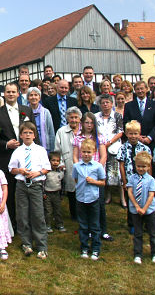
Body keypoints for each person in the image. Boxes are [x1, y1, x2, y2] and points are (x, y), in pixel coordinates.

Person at [0, 82, 35, 226]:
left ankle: (27, 222)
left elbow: (35, 133)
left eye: (13, 92)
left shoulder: (26, 111)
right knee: (8, 191)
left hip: (26, 157)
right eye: (8, 92)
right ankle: (11, 223)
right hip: (6, 156)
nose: (10, 94)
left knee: (27, 190)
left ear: (17, 93)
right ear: (4, 94)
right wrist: (5, 144)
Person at [8, 122, 51, 260]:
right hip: (21, 185)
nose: (27, 135)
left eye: (30, 133)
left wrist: (37, 173)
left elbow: (47, 168)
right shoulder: (18, 151)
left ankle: (41, 246)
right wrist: (19, 170)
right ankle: (26, 243)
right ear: (20, 135)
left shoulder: (40, 150)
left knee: (38, 215)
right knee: (22, 215)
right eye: (25, 133)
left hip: (35, 185)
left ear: (34, 135)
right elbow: (11, 169)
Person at [72, 112, 111, 242]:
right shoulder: (78, 137)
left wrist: (96, 169)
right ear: (82, 123)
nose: (89, 125)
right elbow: (75, 156)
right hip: (83, 174)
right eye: (86, 122)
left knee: (99, 204)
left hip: (96, 174)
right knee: (85, 204)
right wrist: (79, 169)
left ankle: (102, 230)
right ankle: (87, 230)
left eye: (91, 122)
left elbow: (103, 155)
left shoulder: (99, 137)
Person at [73, 139, 106, 261]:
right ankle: (84, 247)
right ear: (81, 152)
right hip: (81, 199)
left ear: (94, 152)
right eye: (84, 152)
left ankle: (96, 248)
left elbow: (103, 182)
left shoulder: (98, 167)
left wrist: (93, 182)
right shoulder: (76, 166)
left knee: (95, 225)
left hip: (93, 199)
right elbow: (76, 179)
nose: (86, 154)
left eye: (89, 152)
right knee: (83, 225)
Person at [117, 120, 151, 232]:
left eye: (135, 133)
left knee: (144, 200)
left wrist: (150, 180)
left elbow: (149, 165)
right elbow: (121, 165)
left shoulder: (144, 148)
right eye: (130, 133)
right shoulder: (122, 148)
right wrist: (124, 181)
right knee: (131, 201)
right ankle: (132, 224)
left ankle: (145, 222)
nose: (133, 136)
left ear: (139, 133)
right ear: (126, 134)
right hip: (130, 181)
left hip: (143, 180)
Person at [127, 151, 155, 264]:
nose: (141, 169)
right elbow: (130, 192)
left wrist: (144, 208)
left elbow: (151, 195)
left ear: (148, 166)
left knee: (152, 232)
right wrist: (136, 206)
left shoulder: (151, 180)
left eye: (143, 166)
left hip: (148, 210)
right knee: (138, 232)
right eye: (138, 166)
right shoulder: (132, 178)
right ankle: (138, 253)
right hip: (136, 210)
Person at [54, 106, 82, 221]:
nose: (74, 120)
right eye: (71, 118)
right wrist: (60, 163)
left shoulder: (83, 131)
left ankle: (83, 213)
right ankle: (74, 214)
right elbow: (57, 149)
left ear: (80, 118)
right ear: (67, 119)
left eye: (76, 117)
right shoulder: (61, 131)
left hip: (81, 162)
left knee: (82, 188)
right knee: (71, 190)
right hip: (68, 163)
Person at [95, 94, 124, 206]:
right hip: (100, 148)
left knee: (117, 173)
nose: (105, 105)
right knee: (104, 172)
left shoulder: (117, 116)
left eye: (107, 102)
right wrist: (102, 144)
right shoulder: (96, 116)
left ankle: (122, 198)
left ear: (112, 104)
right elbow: (94, 131)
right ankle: (108, 196)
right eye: (103, 103)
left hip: (114, 147)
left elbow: (120, 132)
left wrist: (109, 143)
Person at [123, 81, 155, 153]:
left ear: (147, 89)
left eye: (142, 88)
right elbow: (126, 123)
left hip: (151, 142)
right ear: (135, 91)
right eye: (137, 89)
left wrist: (149, 137)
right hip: (134, 141)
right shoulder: (128, 105)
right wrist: (137, 136)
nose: (140, 91)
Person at [44, 151, 66, 233]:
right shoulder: (46, 172)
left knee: (58, 210)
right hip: (47, 194)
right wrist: (43, 193)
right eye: (53, 160)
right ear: (49, 161)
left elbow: (62, 183)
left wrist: (61, 194)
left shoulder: (60, 172)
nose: (55, 162)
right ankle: (47, 225)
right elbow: (43, 183)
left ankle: (59, 224)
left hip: (56, 193)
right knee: (48, 211)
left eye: (57, 161)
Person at [27, 87, 55, 151]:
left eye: (36, 95)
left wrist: (52, 149)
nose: (33, 97)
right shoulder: (23, 112)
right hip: (29, 146)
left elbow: (51, 131)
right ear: (28, 98)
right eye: (31, 95)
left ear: (39, 98)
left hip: (44, 146)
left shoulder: (46, 112)